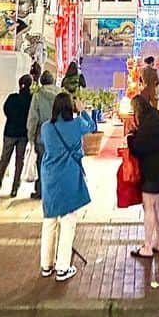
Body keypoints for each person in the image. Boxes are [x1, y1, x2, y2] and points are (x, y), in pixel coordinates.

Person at [38, 91, 96, 281]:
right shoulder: (77, 124)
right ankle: (63, 267)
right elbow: (92, 127)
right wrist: (83, 111)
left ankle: (46, 265)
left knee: (49, 220)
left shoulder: (46, 128)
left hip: (49, 176)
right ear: (70, 108)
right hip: (69, 175)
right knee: (68, 221)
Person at [127, 92, 159, 259]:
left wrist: (130, 137)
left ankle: (147, 246)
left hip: (153, 169)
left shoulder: (147, 123)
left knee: (148, 206)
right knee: (156, 205)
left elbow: (139, 147)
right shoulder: (156, 116)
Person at [0, 73, 32, 198]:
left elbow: (6, 110)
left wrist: (13, 119)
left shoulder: (12, 98)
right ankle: (15, 188)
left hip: (10, 132)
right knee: (19, 161)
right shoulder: (31, 99)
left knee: (4, 160)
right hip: (23, 134)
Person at [26, 70, 58, 200]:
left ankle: (41, 190)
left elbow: (33, 118)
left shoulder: (38, 96)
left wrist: (31, 135)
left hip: (42, 135)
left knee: (42, 163)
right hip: (58, 134)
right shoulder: (60, 94)